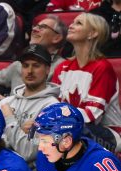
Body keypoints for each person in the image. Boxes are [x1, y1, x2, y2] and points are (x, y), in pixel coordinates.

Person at [52, 13, 121, 152]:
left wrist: (56, 119)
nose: (70, 25)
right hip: (68, 127)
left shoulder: (102, 67)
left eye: (78, 23)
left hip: (108, 133)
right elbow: (51, 103)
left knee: (73, 132)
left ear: (92, 33)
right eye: (72, 22)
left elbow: (92, 116)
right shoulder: (62, 67)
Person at [0, 45, 60, 168]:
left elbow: (27, 152)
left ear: (47, 69)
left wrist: (10, 119)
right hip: (0, 169)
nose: (29, 71)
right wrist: (19, 130)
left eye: (36, 65)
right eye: (25, 65)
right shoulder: (6, 103)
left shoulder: (52, 108)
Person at [0, 15, 67, 98]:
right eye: (35, 26)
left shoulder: (63, 68)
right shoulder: (18, 65)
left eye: (42, 27)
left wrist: (7, 102)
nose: (34, 29)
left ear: (57, 38)